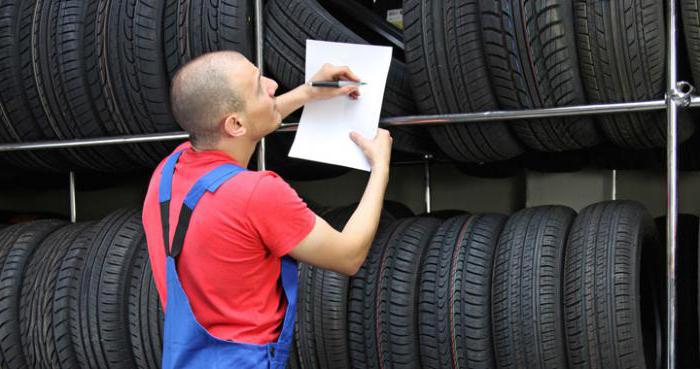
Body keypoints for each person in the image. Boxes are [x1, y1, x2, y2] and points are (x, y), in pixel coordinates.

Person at [141, 50, 392, 369]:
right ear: (234, 124)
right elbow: (348, 255)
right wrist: (380, 167)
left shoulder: (166, 172)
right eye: (259, 87)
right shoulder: (257, 194)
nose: (273, 85)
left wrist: (308, 92)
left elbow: (239, 125)